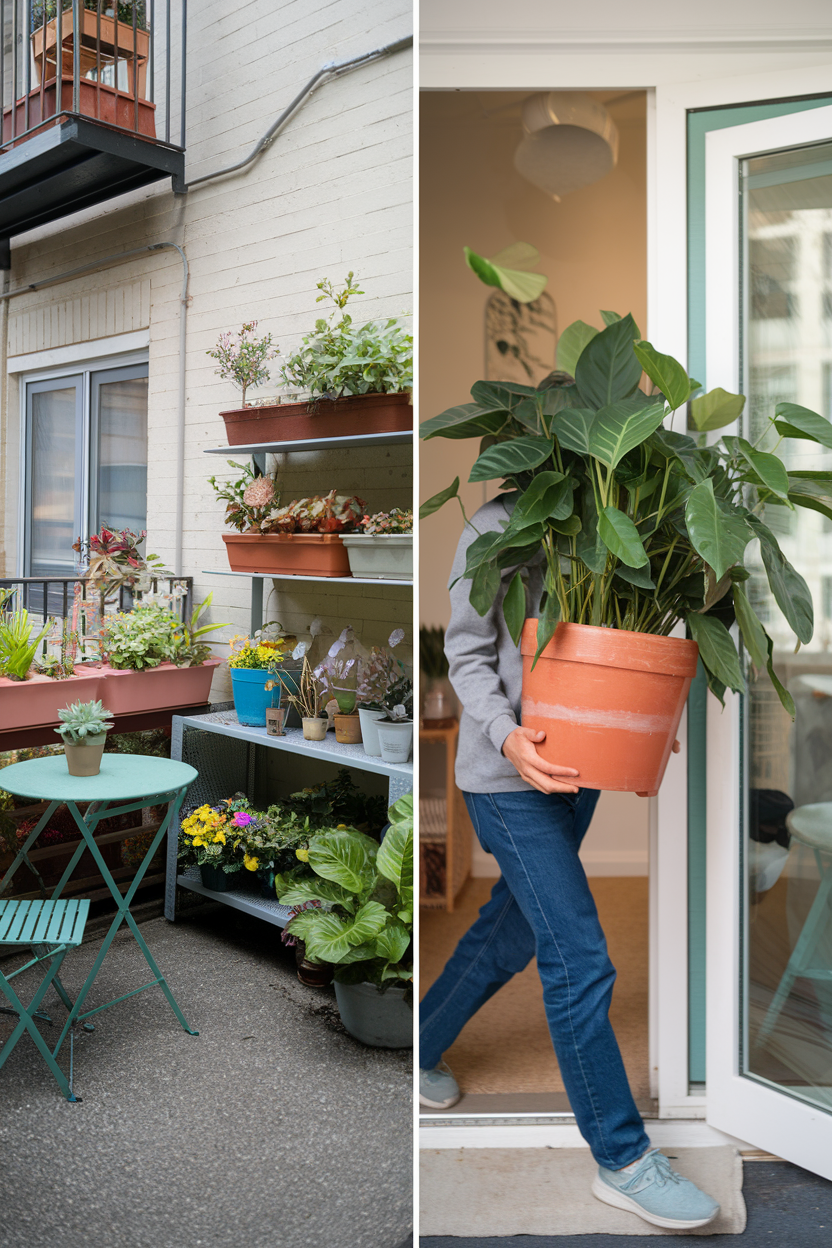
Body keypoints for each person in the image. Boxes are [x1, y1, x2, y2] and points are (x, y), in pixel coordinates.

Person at [419, 494, 720, 1232]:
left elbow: (610, 641)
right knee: (579, 956)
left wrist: (640, 718)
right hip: (507, 777)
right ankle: (622, 1158)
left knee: (511, 933)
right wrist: (505, 734)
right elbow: (466, 651)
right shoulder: (492, 526)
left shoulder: (612, 517)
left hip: (577, 769)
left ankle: (419, 1045)